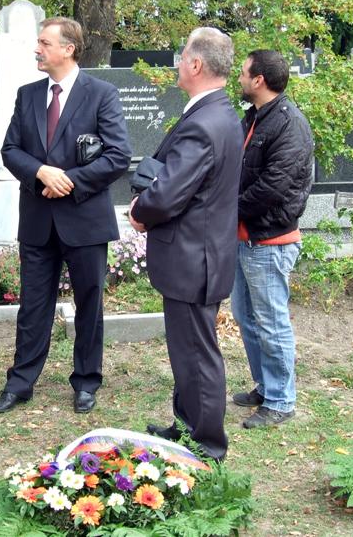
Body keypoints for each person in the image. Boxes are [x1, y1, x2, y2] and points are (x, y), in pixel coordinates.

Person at [0, 17, 131, 415]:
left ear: (68, 49)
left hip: (85, 220)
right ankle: (20, 383)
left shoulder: (101, 94)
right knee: (33, 306)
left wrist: (67, 180)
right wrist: (40, 172)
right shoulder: (28, 94)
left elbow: (118, 154)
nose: (37, 49)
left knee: (89, 304)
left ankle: (86, 381)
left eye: (44, 43)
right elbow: (11, 150)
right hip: (38, 220)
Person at [129, 27, 243, 462]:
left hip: (194, 257)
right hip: (201, 253)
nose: (178, 63)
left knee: (196, 354)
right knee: (187, 351)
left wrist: (140, 210)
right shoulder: (217, 112)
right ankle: (186, 426)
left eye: (182, 57)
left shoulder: (204, 122)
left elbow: (170, 193)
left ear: (196, 63)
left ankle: (207, 445)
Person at [230, 50, 313, 428]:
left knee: (271, 322)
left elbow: (273, 187)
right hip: (245, 238)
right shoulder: (255, 117)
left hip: (270, 241)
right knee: (247, 317)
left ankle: (281, 400)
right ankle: (266, 386)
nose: (239, 78)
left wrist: (226, 210)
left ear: (259, 80)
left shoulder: (289, 123)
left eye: (243, 73)